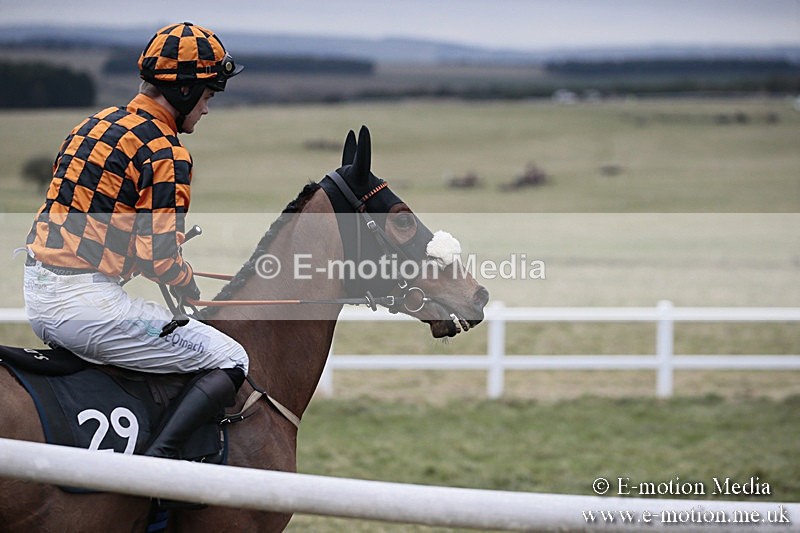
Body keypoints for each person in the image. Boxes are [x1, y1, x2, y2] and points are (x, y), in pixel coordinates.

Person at [23, 22, 248, 459]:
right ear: (184, 91)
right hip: (86, 306)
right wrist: (185, 280)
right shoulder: (166, 152)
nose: (207, 108)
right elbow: (159, 257)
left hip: (38, 294)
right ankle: (158, 465)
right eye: (207, 95)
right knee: (231, 357)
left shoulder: (92, 124)